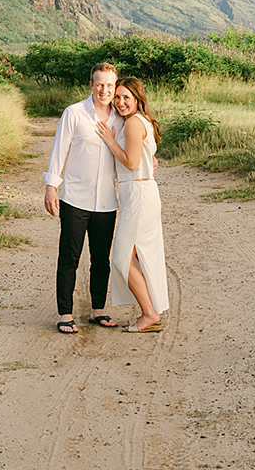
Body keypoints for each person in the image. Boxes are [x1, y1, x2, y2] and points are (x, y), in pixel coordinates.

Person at [43, 62, 123, 333]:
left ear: (115, 86)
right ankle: (65, 313)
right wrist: (51, 186)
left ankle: (97, 310)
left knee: (101, 260)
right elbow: (59, 151)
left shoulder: (120, 118)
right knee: (69, 257)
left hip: (107, 202)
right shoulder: (74, 113)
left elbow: (132, 150)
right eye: (99, 84)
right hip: (74, 199)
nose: (104, 90)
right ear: (91, 85)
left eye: (109, 85)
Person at [96, 76, 169, 333]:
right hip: (139, 192)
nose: (120, 102)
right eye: (117, 97)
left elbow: (131, 162)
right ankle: (150, 311)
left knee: (121, 258)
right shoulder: (138, 121)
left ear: (137, 99)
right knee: (138, 254)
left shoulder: (133, 124)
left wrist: (109, 140)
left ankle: (149, 314)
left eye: (126, 97)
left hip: (138, 194)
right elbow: (145, 158)